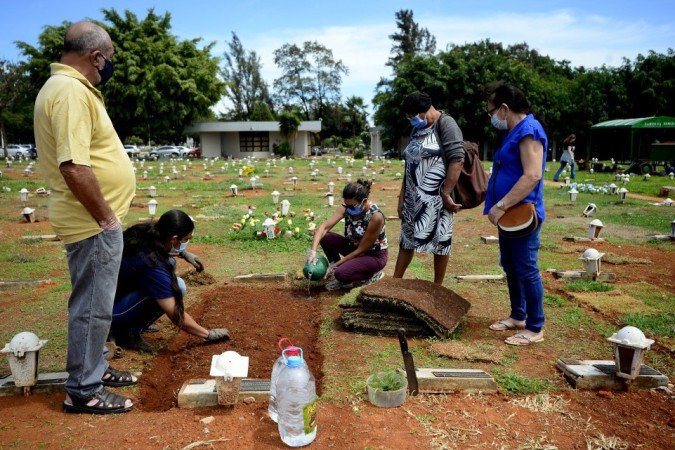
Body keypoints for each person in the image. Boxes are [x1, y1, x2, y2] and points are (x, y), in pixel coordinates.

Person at [33, 22, 137, 414]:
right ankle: (83, 390)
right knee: (92, 305)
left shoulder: (63, 88)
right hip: (92, 224)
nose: (107, 68)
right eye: (107, 61)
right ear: (95, 57)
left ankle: (96, 367)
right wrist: (108, 219)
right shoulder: (72, 92)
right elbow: (74, 165)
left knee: (97, 301)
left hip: (91, 221)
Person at [110, 210, 230, 353]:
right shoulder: (152, 264)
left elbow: (160, 248)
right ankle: (127, 333)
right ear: (174, 239)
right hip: (111, 312)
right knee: (177, 286)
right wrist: (207, 334)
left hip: (110, 295)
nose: (186, 243)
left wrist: (183, 253)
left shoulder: (145, 232)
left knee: (172, 269)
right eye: (185, 239)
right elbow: (174, 312)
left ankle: (130, 323)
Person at [484, 83, 547, 346]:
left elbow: (532, 174)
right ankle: (518, 316)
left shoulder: (529, 131)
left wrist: (501, 205)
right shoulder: (514, 132)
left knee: (526, 268)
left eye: (491, 111)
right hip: (507, 215)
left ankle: (535, 326)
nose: (491, 117)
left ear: (504, 108)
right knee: (510, 265)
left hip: (519, 213)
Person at [393, 92, 465, 285]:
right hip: (412, 197)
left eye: (412, 116)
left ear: (425, 111)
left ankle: (437, 286)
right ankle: (394, 282)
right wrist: (402, 196)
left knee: (441, 242)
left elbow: (457, 159)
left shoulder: (447, 124)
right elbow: (409, 164)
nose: (411, 120)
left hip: (437, 196)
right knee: (406, 240)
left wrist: (447, 192)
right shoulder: (417, 129)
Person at [309, 180, 388, 291]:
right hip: (353, 247)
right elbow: (324, 228)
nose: (348, 208)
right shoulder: (346, 207)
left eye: (352, 206)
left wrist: (335, 266)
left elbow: (360, 250)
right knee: (326, 237)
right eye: (346, 205)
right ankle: (337, 271)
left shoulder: (376, 217)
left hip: (372, 255)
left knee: (341, 273)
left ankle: (370, 276)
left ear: (363, 201)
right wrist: (313, 251)